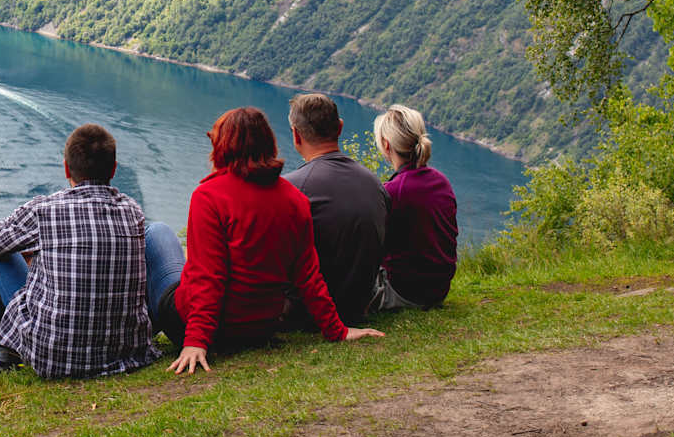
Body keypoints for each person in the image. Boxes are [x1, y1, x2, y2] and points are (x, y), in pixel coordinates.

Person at [161, 107, 384, 375]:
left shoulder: (209, 197)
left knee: (160, 248)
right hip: (261, 327)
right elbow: (308, 275)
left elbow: (208, 277)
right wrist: (337, 330)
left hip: (207, 329)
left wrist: (196, 340)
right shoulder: (295, 200)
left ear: (221, 145)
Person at [0, 123, 162, 379]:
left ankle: (2, 358)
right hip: (124, 352)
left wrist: (31, 251)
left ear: (66, 168)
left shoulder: (44, 210)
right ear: (114, 169)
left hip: (53, 358)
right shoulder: (132, 211)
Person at [282, 93, 388, 326]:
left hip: (306, 313)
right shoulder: (373, 182)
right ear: (339, 128)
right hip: (358, 305)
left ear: (296, 135)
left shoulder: (291, 188)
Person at [369, 104, 458, 311]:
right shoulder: (441, 181)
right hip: (438, 289)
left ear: (386, 144)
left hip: (405, 292)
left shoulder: (393, 191)